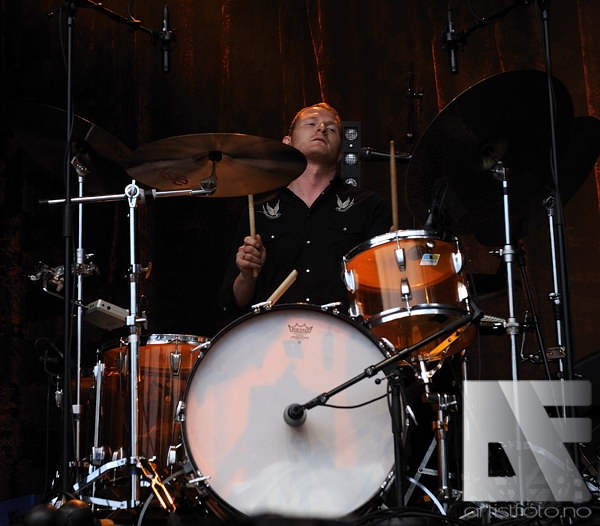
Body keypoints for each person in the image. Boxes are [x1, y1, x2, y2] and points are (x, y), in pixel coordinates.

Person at [217, 102, 392, 322]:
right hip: (272, 334)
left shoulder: (368, 206)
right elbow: (235, 302)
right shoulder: (258, 212)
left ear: (340, 153)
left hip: (343, 333)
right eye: (311, 123)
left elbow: (383, 292)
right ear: (287, 143)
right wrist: (246, 275)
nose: (321, 128)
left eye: (331, 128)